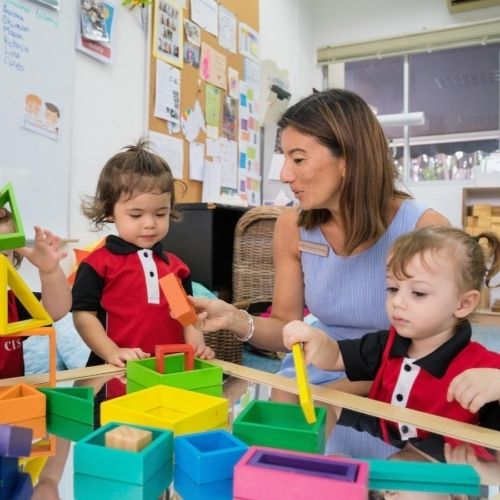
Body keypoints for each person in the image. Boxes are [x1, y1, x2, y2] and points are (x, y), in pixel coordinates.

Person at [191, 88, 448, 454]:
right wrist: (235, 319)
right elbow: (285, 326)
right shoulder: (292, 225)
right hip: (317, 369)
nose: (283, 174)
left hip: (399, 375)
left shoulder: (424, 229)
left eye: (298, 159)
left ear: (348, 159)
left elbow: (437, 350)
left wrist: (336, 394)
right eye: (284, 158)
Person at [282, 225, 500, 459]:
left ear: (463, 304)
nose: (397, 302)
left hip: (445, 455)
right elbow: (335, 356)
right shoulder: (387, 343)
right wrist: (315, 339)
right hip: (386, 423)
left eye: (418, 293)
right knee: (323, 405)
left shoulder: (482, 365)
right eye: (393, 288)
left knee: (403, 476)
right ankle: (303, 459)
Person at [72, 138, 214, 373]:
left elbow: (187, 316)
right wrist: (111, 352)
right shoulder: (97, 264)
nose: (150, 224)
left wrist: (197, 345)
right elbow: (83, 317)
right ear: (110, 213)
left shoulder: (176, 268)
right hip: (117, 371)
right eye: (136, 215)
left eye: (160, 213)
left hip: (170, 368)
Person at [0, 207, 71, 378]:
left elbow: (56, 310)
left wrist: (49, 271)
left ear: (13, 259)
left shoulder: (14, 304)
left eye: (3, 255)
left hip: (12, 401)